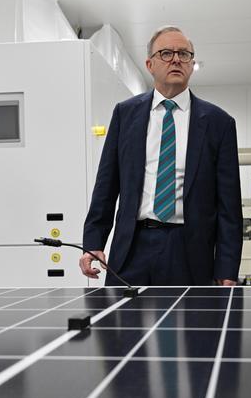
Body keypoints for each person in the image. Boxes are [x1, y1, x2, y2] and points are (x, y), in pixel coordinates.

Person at [80, 26, 242, 286]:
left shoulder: (218, 123)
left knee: (191, 326)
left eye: (184, 54)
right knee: (124, 325)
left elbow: (229, 206)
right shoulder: (125, 114)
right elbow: (106, 186)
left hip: (189, 251)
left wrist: (227, 268)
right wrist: (93, 242)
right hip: (133, 247)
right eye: (166, 53)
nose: (176, 59)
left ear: (192, 64)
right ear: (150, 64)